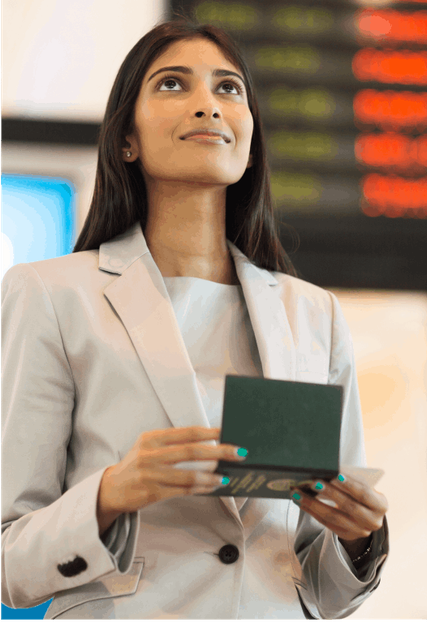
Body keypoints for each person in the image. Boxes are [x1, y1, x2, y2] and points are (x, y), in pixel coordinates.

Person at [1, 18, 389, 621]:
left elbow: (323, 590)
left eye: (228, 89)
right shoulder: (51, 295)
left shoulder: (313, 314)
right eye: (173, 85)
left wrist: (359, 541)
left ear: (251, 139)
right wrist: (110, 494)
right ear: (126, 139)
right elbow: (8, 560)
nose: (209, 105)